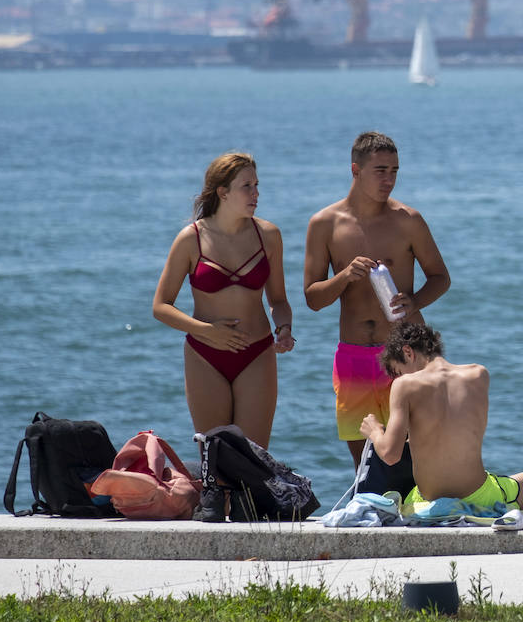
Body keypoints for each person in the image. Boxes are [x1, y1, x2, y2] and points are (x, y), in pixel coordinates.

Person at [152, 153, 295, 517]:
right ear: (222, 192)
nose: (256, 193)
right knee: (214, 464)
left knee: (251, 463)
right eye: (246, 186)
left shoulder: (269, 235)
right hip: (205, 355)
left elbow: (279, 299)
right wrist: (206, 331)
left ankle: (252, 559)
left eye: (257, 185)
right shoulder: (191, 239)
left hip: (257, 353)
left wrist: (284, 328)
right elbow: (161, 306)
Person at [303, 131, 451, 481]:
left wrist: (414, 300)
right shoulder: (324, 224)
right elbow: (312, 298)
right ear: (355, 169)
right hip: (354, 355)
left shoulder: (408, 220)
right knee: (367, 465)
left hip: (406, 354)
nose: (390, 179)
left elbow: (440, 277)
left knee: (419, 456)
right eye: (380, 170)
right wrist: (344, 277)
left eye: (395, 170)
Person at [360, 320, 523, 516]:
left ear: (408, 352)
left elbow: (390, 455)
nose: (401, 378)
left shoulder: (405, 385)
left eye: (399, 372)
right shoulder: (479, 375)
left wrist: (375, 431)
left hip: (429, 500)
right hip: (483, 495)